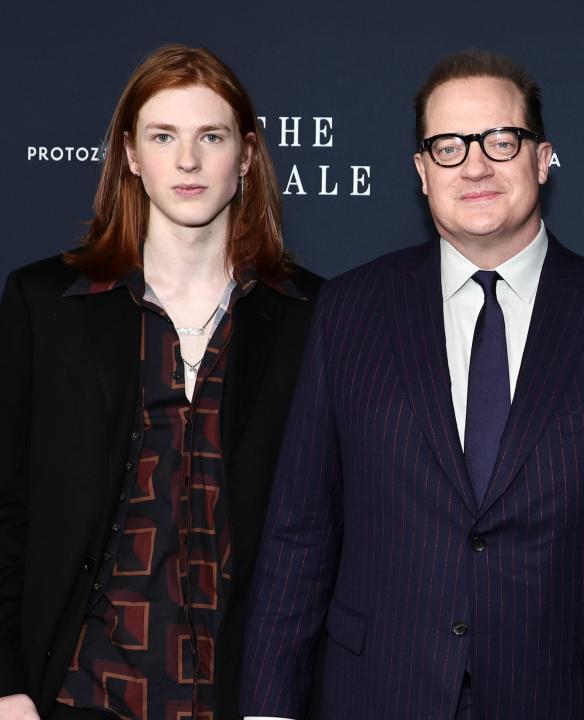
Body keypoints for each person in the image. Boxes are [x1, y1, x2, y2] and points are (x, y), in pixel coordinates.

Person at [240, 48, 584, 720]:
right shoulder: (349, 311)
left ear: (543, 158)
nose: (474, 164)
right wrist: (268, 708)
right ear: (421, 172)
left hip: (572, 699)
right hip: (381, 694)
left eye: (501, 140)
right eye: (448, 146)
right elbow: (300, 529)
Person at [0, 45, 322, 720]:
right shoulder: (47, 304)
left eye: (211, 136)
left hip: (249, 697)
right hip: (82, 692)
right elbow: (6, 503)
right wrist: (7, 686)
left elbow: (328, 530)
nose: (187, 161)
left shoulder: (311, 316)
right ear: (131, 155)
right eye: (163, 136)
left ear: (248, 155)